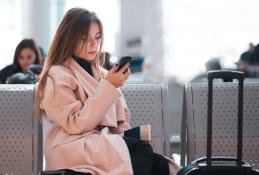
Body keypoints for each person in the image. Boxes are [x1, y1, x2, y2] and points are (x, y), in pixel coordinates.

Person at [36, 8, 180, 175]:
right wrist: (109, 86)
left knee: (162, 166)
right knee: (142, 151)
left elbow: (121, 119)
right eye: (84, 38)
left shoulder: (103, 75)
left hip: (100, 144)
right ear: (69, 39)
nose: (94, 45)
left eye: (97, 38)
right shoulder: (56, 76)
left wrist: (127, 134)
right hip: (72, 146)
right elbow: (75, 124)